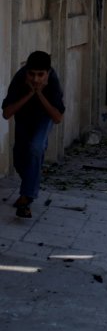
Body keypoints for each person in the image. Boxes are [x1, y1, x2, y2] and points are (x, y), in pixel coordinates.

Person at [2, 51, 65, 218]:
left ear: (48, 73)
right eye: (32, 74)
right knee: (20, 161)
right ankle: (28, 188)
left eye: (40, 75)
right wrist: (30, 93)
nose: (36, 79)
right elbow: (7, 113)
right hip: (24, 119)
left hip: (44, 118)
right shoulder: (19, 79)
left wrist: (39, 93)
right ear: (26, 71)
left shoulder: (53, 82)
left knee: (36, 148)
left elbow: (57, 117)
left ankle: (27, 198)